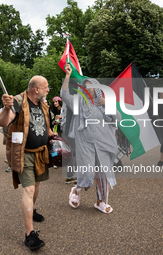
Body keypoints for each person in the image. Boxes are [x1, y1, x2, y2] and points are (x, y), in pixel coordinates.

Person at [0, 75, 56, 251]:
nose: (48, 90)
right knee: (29, 189)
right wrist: (7, 108)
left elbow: (46, 127)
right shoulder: (17, 101)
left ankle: (33, 209)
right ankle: (29, 234)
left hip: (41, 153)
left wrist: (55, 136)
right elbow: (3, 121)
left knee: (36, 185)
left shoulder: (43, 105)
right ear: (36, 89)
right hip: (24, 154)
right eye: (46, 87)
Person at [61, 63, 120, 213]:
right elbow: (65, 95)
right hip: (85, 143)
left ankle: (101, 201)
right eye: (84, 87)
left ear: (96, 89)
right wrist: (67, 76)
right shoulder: (79, 104)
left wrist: (109, 104)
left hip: (103, 143)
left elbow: (117, 119)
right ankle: (77, 189)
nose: (87, 89)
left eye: (90, 87)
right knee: (87, 172)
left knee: (103, 174)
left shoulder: (104, 103)